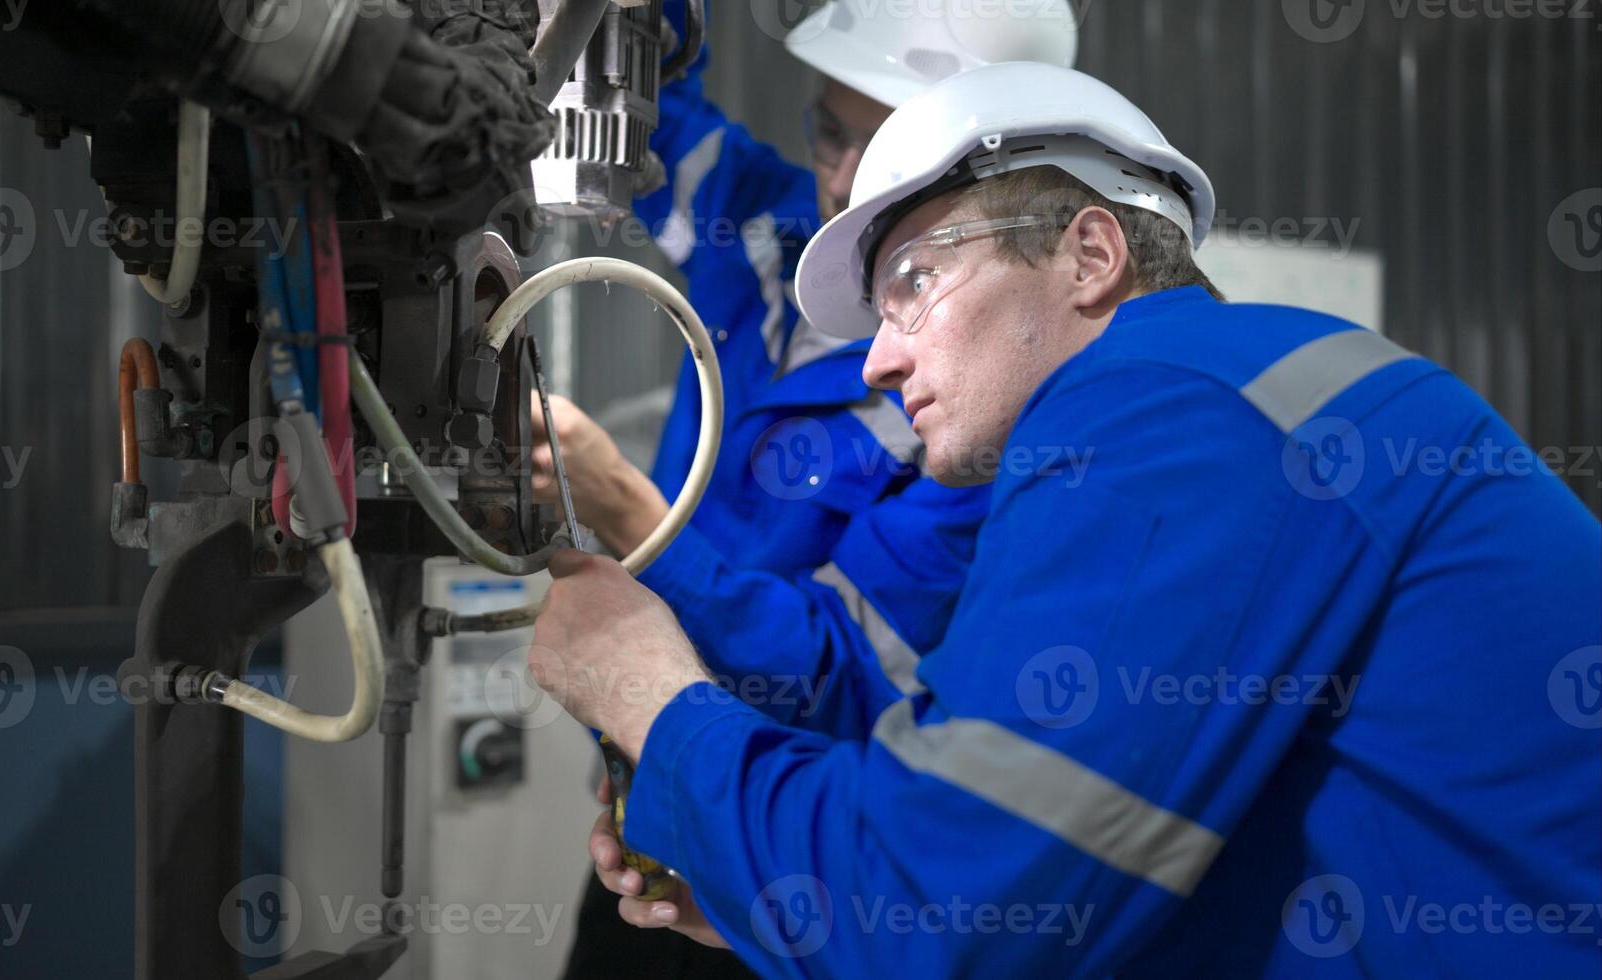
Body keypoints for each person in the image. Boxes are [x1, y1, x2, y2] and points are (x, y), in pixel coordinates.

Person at [530, 61, 1602, 977]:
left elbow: (944, 917)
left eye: (913, 280)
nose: (876, 356)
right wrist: (762, 884)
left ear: (1091, 256)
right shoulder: (1217, 402)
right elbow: (1035, 841)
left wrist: (649, 698)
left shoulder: (1171, 407)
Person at [543, 5, 1077, 978]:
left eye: (887, 149)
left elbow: (835, 671)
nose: (840, 181)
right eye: (830, 131)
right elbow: (645, 102)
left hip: (800, 847)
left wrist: (629, 515)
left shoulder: (998, 413)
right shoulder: (772, 234)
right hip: (654, 809)